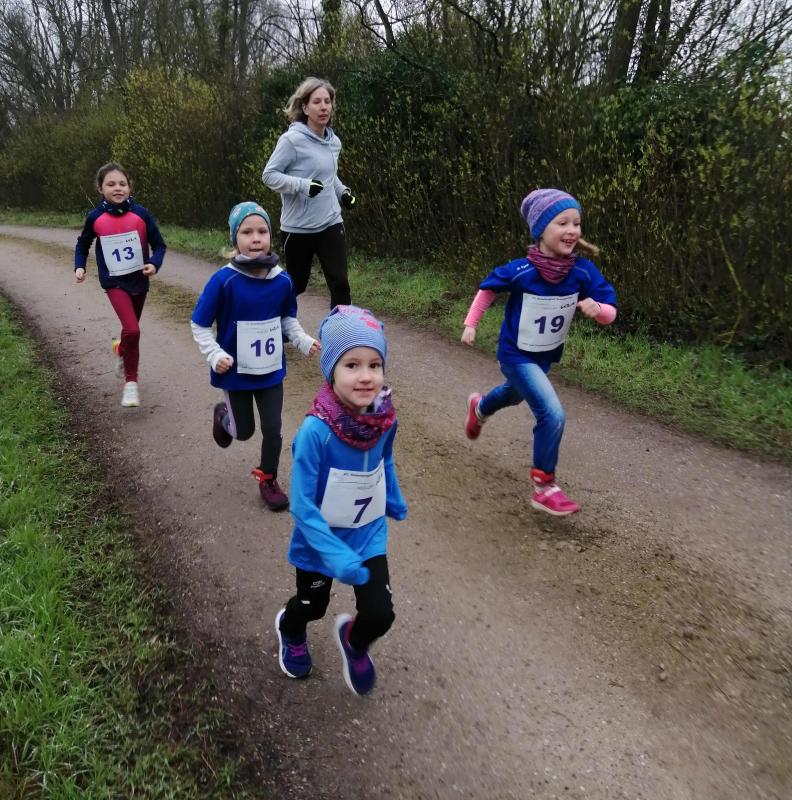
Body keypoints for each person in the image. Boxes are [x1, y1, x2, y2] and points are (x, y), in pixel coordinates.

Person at [275, 305, 408, 696]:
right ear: (331, 370)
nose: (366, 376)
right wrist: (332, 554)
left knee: (381, 614)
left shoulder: (385, 419)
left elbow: (385, 459)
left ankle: (355, 641)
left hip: (367, 534)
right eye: (352, 365)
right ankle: (290, 627)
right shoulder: (314, 433)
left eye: (374, 365)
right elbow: (301, 504)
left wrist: (393, 494)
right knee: (313, 605)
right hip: (320, 543)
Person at [461, 189, 617, 516]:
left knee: (514, 394)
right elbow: (488, 289)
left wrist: (598, 309)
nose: (572, 230)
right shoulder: (521, 271)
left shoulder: (583, 272)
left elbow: (610, 311)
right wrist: (471, 324)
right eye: (562, 223)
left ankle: (480, 408)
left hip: (544, 356)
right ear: (541, 230)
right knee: (552, 412)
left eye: (576, 223)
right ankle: (544, 486)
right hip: (515, 355)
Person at [190, 201, 319, 511]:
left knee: (273, 428)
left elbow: (287, 319)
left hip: (270, 370)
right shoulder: (223, 280)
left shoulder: (282, 281)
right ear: (235, 238)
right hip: (235, 372)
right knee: (244, 432)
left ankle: (268, 478)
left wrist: (301, 340)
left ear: (271, 236)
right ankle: (223, 417)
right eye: (247, 232)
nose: (256, 238)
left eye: (262, 231)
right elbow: (199, 324)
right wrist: (214, 354)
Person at [74, 161, 166, 407]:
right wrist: (80, 266)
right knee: (133, 330)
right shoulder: (95, 217)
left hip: (139, 279)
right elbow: (83, 244)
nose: (117, 188)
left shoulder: (141, 214)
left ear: (129, 187)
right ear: (100, 189)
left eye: (122, 184)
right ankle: (131, 383)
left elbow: (159, 245)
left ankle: (121, 350)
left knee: (129, 330)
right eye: (111, 184)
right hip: (114, 281)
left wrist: (154, 264)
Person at [262, 77, 355, 309]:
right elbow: (269, 175)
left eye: (327, 102)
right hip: (299, 227)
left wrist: (343, 192)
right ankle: (271, 321)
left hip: (331, 221)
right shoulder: (291, 140)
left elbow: (329, 175)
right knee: (297, 284)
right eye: (316, 102)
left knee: (340, 283)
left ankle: (341, 330)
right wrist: (303, 185)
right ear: (304, 108)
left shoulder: (334, 142)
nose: (323, 107)